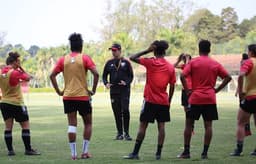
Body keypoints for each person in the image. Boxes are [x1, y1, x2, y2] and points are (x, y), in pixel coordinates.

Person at [177, 40, 231, 159]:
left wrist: (187, 91)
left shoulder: (193, 62)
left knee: (188, 125)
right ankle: (205, 153)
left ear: (199, 49)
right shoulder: (215, 63)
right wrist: (216, 89)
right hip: (210, 99)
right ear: (209, 49)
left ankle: (186, 152)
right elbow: (228, 77)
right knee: (208, 126)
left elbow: (182, 76)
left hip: (195, 98)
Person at [124, 40, 176, 160]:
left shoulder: (150, 62)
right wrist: (169, 100)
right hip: (163, 101)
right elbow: (172, 85)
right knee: (161, 127)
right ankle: (158, 154)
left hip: (150, 101)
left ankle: (135, 153)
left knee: (143, 126)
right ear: (164, 51)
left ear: (154, 50)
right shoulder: (170, 67)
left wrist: (147, 50)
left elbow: (132, 57)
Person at [50, 33, 99, 160]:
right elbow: (96, 73)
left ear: (70, 46)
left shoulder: (63, 59)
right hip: (83, 96)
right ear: (81, 46)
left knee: (72, 124)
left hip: (68, 97)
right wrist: (92, 90)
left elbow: (52, 75)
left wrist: (59, 91)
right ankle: (84, 152)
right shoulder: (85, 58)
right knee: (88, 123)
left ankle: (73, 154)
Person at [0, 52, 41, 156]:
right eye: (19, 62)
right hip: (17, 103)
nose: (20, 63)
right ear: (14, 62)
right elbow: (28, 78)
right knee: (25, 126)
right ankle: (28, 149)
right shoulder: (15, 72)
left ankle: (10, 151)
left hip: (4, 103)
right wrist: (21, 68)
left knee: (8, 127)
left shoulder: (2, 73)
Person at [102, 43, 134, 141]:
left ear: (120, 50)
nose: (113, 52)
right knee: (116, 112)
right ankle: (119, 133)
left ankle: (127, 133)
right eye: (112, 50)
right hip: (114, 92)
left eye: (115, 50)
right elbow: (104, 76)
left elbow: (131, 76)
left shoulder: (126, 62)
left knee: (125, 110)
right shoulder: (109, 63)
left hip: (124, 91)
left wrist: (126, 82)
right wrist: (106, 83)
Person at [230, 44, 256, 156]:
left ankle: (239, 150)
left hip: (250, 97)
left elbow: (241, 76)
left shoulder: (249, 62)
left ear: (250, 52)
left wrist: (240, 91)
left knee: (240, 123)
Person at [174, 53, 195, 135]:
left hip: (191, 89)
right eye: (185, 58)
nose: (185, 60)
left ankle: (191, 127)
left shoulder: (192, 66)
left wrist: (188, 60)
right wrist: (179, 59)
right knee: (186, 109)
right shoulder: (183, 65)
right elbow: (173, 66)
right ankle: (190, 126)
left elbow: (188, 68)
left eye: (187, 58)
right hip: (184, 90)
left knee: (191, 109)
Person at [235, 53, 253, 137]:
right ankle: (247, 129)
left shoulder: (245, 63)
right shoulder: (249, 62)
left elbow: (241, 76)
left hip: (245, 92)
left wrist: (238, 90)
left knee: (242, 115)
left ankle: (246, 130)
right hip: (247, 91)